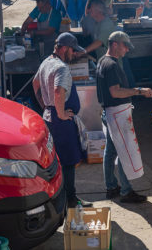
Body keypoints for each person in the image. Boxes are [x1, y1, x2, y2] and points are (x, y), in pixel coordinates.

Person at [32, 32, 92, 208]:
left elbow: (36, 83)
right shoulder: (61, 68)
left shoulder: (46, 62)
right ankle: (70, 200)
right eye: (72, 51)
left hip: (49, 118)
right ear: (64, 48)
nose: (73, 54)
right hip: (61, 122)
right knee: (68, 162)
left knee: (57, 162)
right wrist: (60, 113)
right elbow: (58, 91)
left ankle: (60, 199)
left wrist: (45, 106)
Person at [96, 31, 152, 203]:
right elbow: (115, 92)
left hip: (109, 113)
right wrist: (139, 91)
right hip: (116, 113)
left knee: (111, 150)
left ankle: (111, 187)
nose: (127, 50)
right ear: (115, 44)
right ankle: (126, 191)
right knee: (124, 151)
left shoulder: (102, 60)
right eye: (125, 46)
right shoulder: (112, 65)